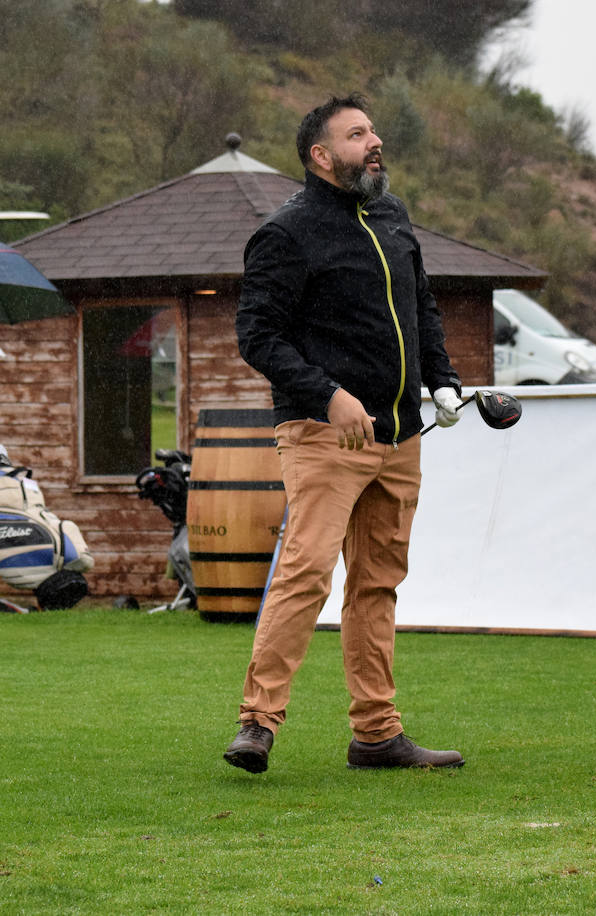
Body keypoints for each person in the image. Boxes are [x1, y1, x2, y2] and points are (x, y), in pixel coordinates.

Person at [224, 93, 467, 772]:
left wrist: (443, 380)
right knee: (305, 573)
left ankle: (377, 735)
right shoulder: (286, 233)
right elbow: (257, 337)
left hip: (399, 435)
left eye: (375, 131)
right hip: (325, 433)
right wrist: (329, 396)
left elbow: (421, 306)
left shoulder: (392, 217)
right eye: (358, 135)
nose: (375, 141)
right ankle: (257, 724)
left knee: (378, 583)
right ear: (322, 156)